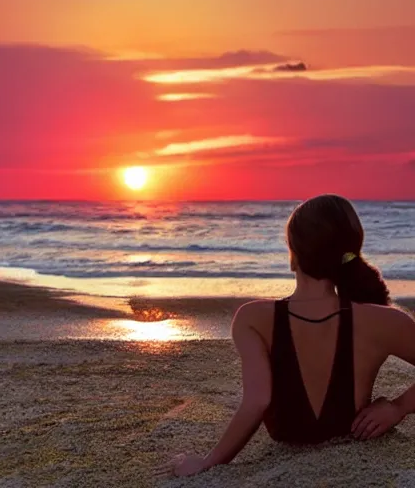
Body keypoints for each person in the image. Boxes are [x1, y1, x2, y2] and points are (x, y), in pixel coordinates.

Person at [156, 194, 415, 478]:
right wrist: (397, 407)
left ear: (294, 255)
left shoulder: (253, 318)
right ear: (349, 252)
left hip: (287, 438)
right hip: (354, 440)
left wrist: (209, 462)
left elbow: (257, 401)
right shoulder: (383, 321)